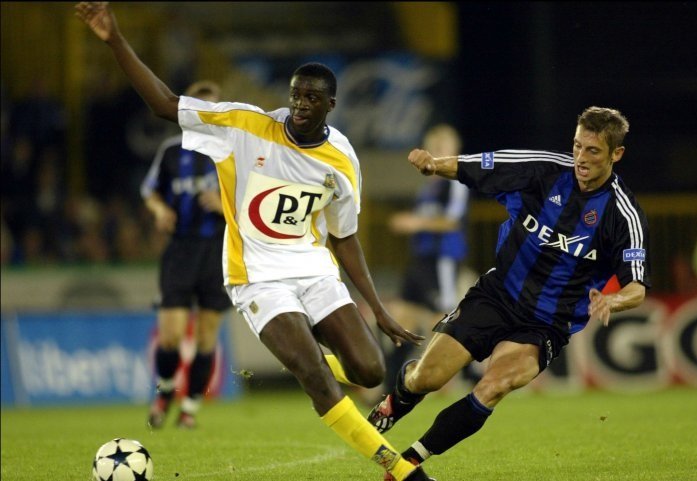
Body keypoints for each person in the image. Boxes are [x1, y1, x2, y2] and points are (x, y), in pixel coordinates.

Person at [75, 3, 434, 480]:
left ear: (331, 104)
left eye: (312, 98)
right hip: (257, 277)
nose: (300, 105)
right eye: (295, 95)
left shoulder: (342, 159)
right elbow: (164, 104)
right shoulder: (243, 126)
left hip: (314, 270)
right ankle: (398, 466)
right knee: (318, 381)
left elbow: (344, 237)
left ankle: (310, 358)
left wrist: (378, 309)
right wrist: (115, 39)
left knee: (369, 371)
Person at [368, 106, 650, 476]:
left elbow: (637, 287)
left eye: (593, 151)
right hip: (497, 295)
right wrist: (435, 164)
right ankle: (397, 399)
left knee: (496, 385)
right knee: (428, 379)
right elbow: (483, 164)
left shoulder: (623, 214)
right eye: (577, 147)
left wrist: (615, 298)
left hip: (547, 323)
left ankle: (408, 462)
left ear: (617, 154)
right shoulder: (544, 169)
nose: (580, 158)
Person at [140, 80, 231, 429]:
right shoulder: (171, 151)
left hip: (217, 253)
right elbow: (149, 191)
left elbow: (253, 201)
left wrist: (226, 205)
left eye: (214, 109)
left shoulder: (231, 151)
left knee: (207, 337)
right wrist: (159, 210)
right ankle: (164, 392)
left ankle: (189, 408)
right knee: (171, 336)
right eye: (200, 109)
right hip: (179, 250)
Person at [382, 124, 474, 395]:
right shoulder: (429, 188)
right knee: (400, 319)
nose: (436, 155)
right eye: (433, 149)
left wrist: (414, 222)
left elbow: (452, 222)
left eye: (443, 149)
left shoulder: (456, 183)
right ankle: (391, 387)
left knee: (442, 318)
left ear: (454, 152)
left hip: (442, 260)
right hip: (420, 261)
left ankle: (463, 375)